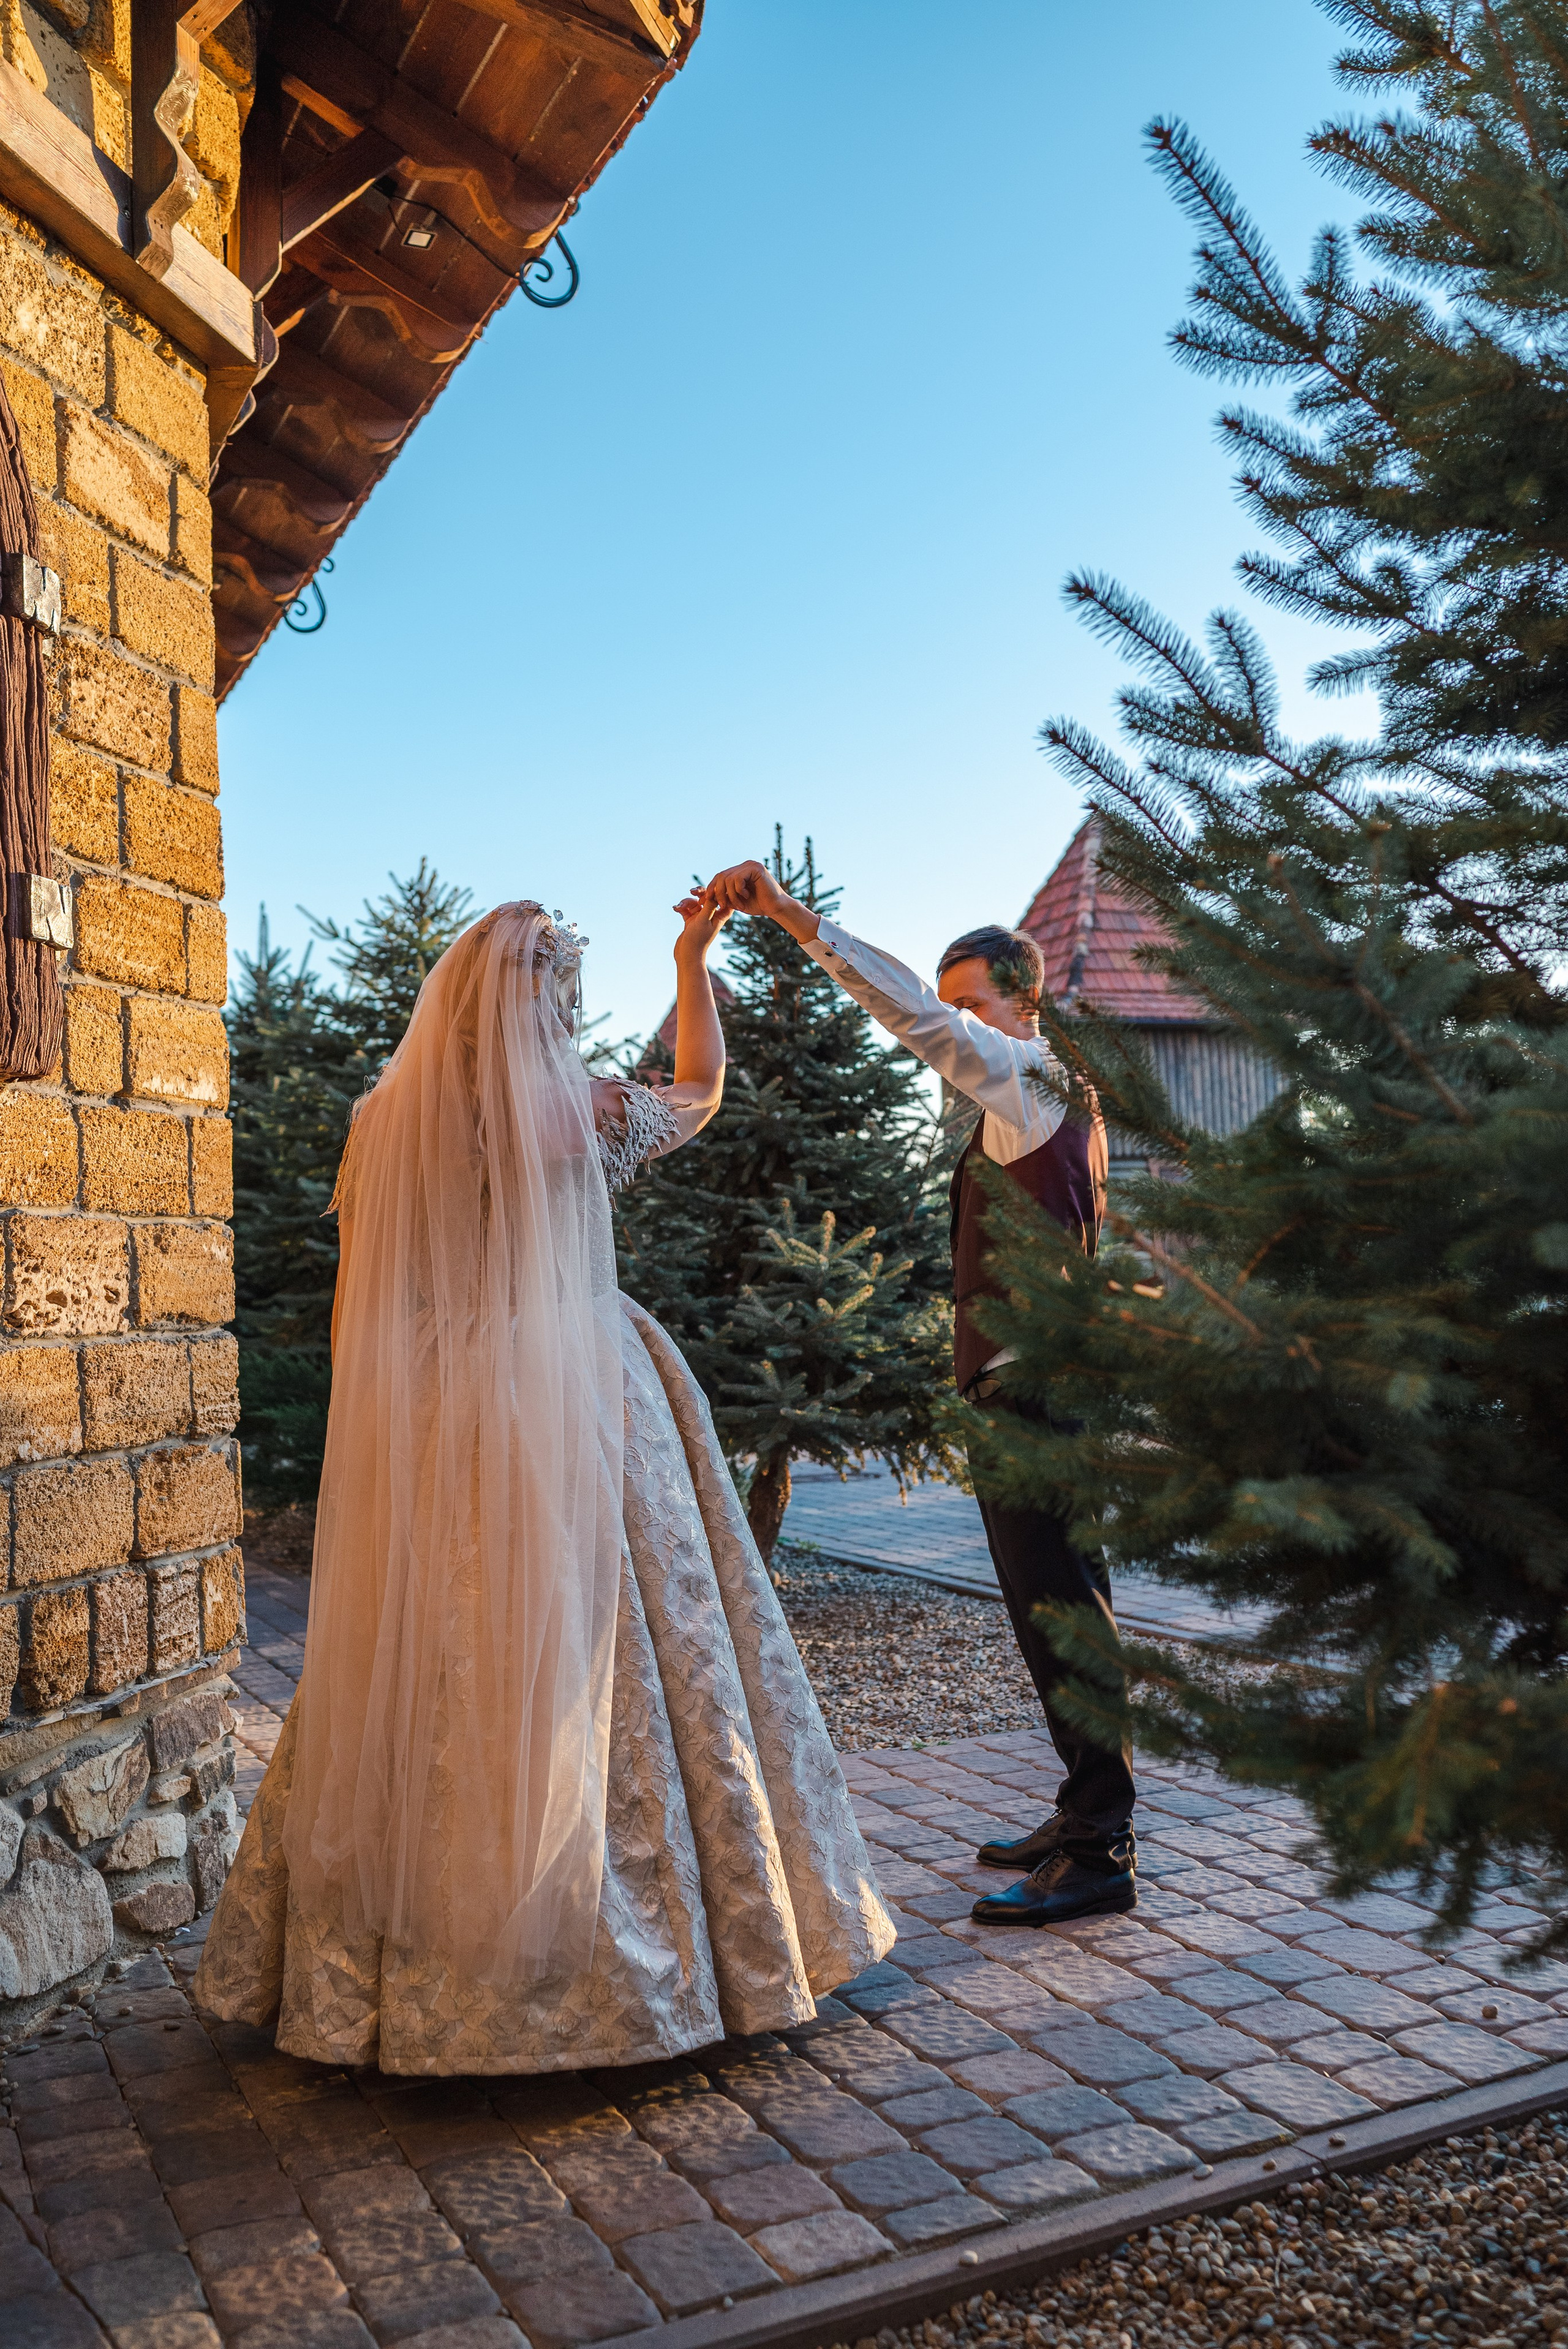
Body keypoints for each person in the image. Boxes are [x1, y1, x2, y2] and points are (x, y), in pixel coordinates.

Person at [195, 894, 893, 2072]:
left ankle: (371, 1985)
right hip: (583, 1387)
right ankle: (659, 1958)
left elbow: (359, 1299)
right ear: (549, 1002)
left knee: (430, 1645)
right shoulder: (582, 1112)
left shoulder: (384, 1119)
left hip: (440, 1403)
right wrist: (689, 957)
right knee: (607, 1642)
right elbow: (705, 1091)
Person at [701, 860, 1137, 1927]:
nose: (955, 1029)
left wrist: (798, 922)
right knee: (1074, 1605)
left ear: (1021, 1003)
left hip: (1035, 1392)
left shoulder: (1032, 1081)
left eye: (971, 1006)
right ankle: (1088, 1811)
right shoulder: (1050, 1102)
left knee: (1059, 1612)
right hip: (1048, 1383)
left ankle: (1098, 1849)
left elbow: (910, 1018)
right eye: (955, 1009)